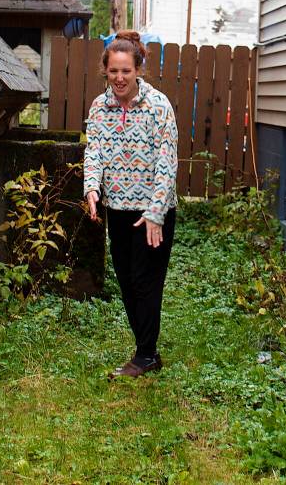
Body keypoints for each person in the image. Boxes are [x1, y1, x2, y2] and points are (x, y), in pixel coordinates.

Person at [83, 31, 178, 378]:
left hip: (153, 214)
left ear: (138, 69)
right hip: (118, 211)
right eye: (113, 72)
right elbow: (93, 152)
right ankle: (146, 351)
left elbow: (167, 163)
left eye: (126, 71)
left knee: (146, 282)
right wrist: (92, 188)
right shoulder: (99, 107)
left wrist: (155, 214)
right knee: (126, 280)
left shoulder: (158, 107)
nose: (119, 78)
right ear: (105, 72)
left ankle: (146, 354)